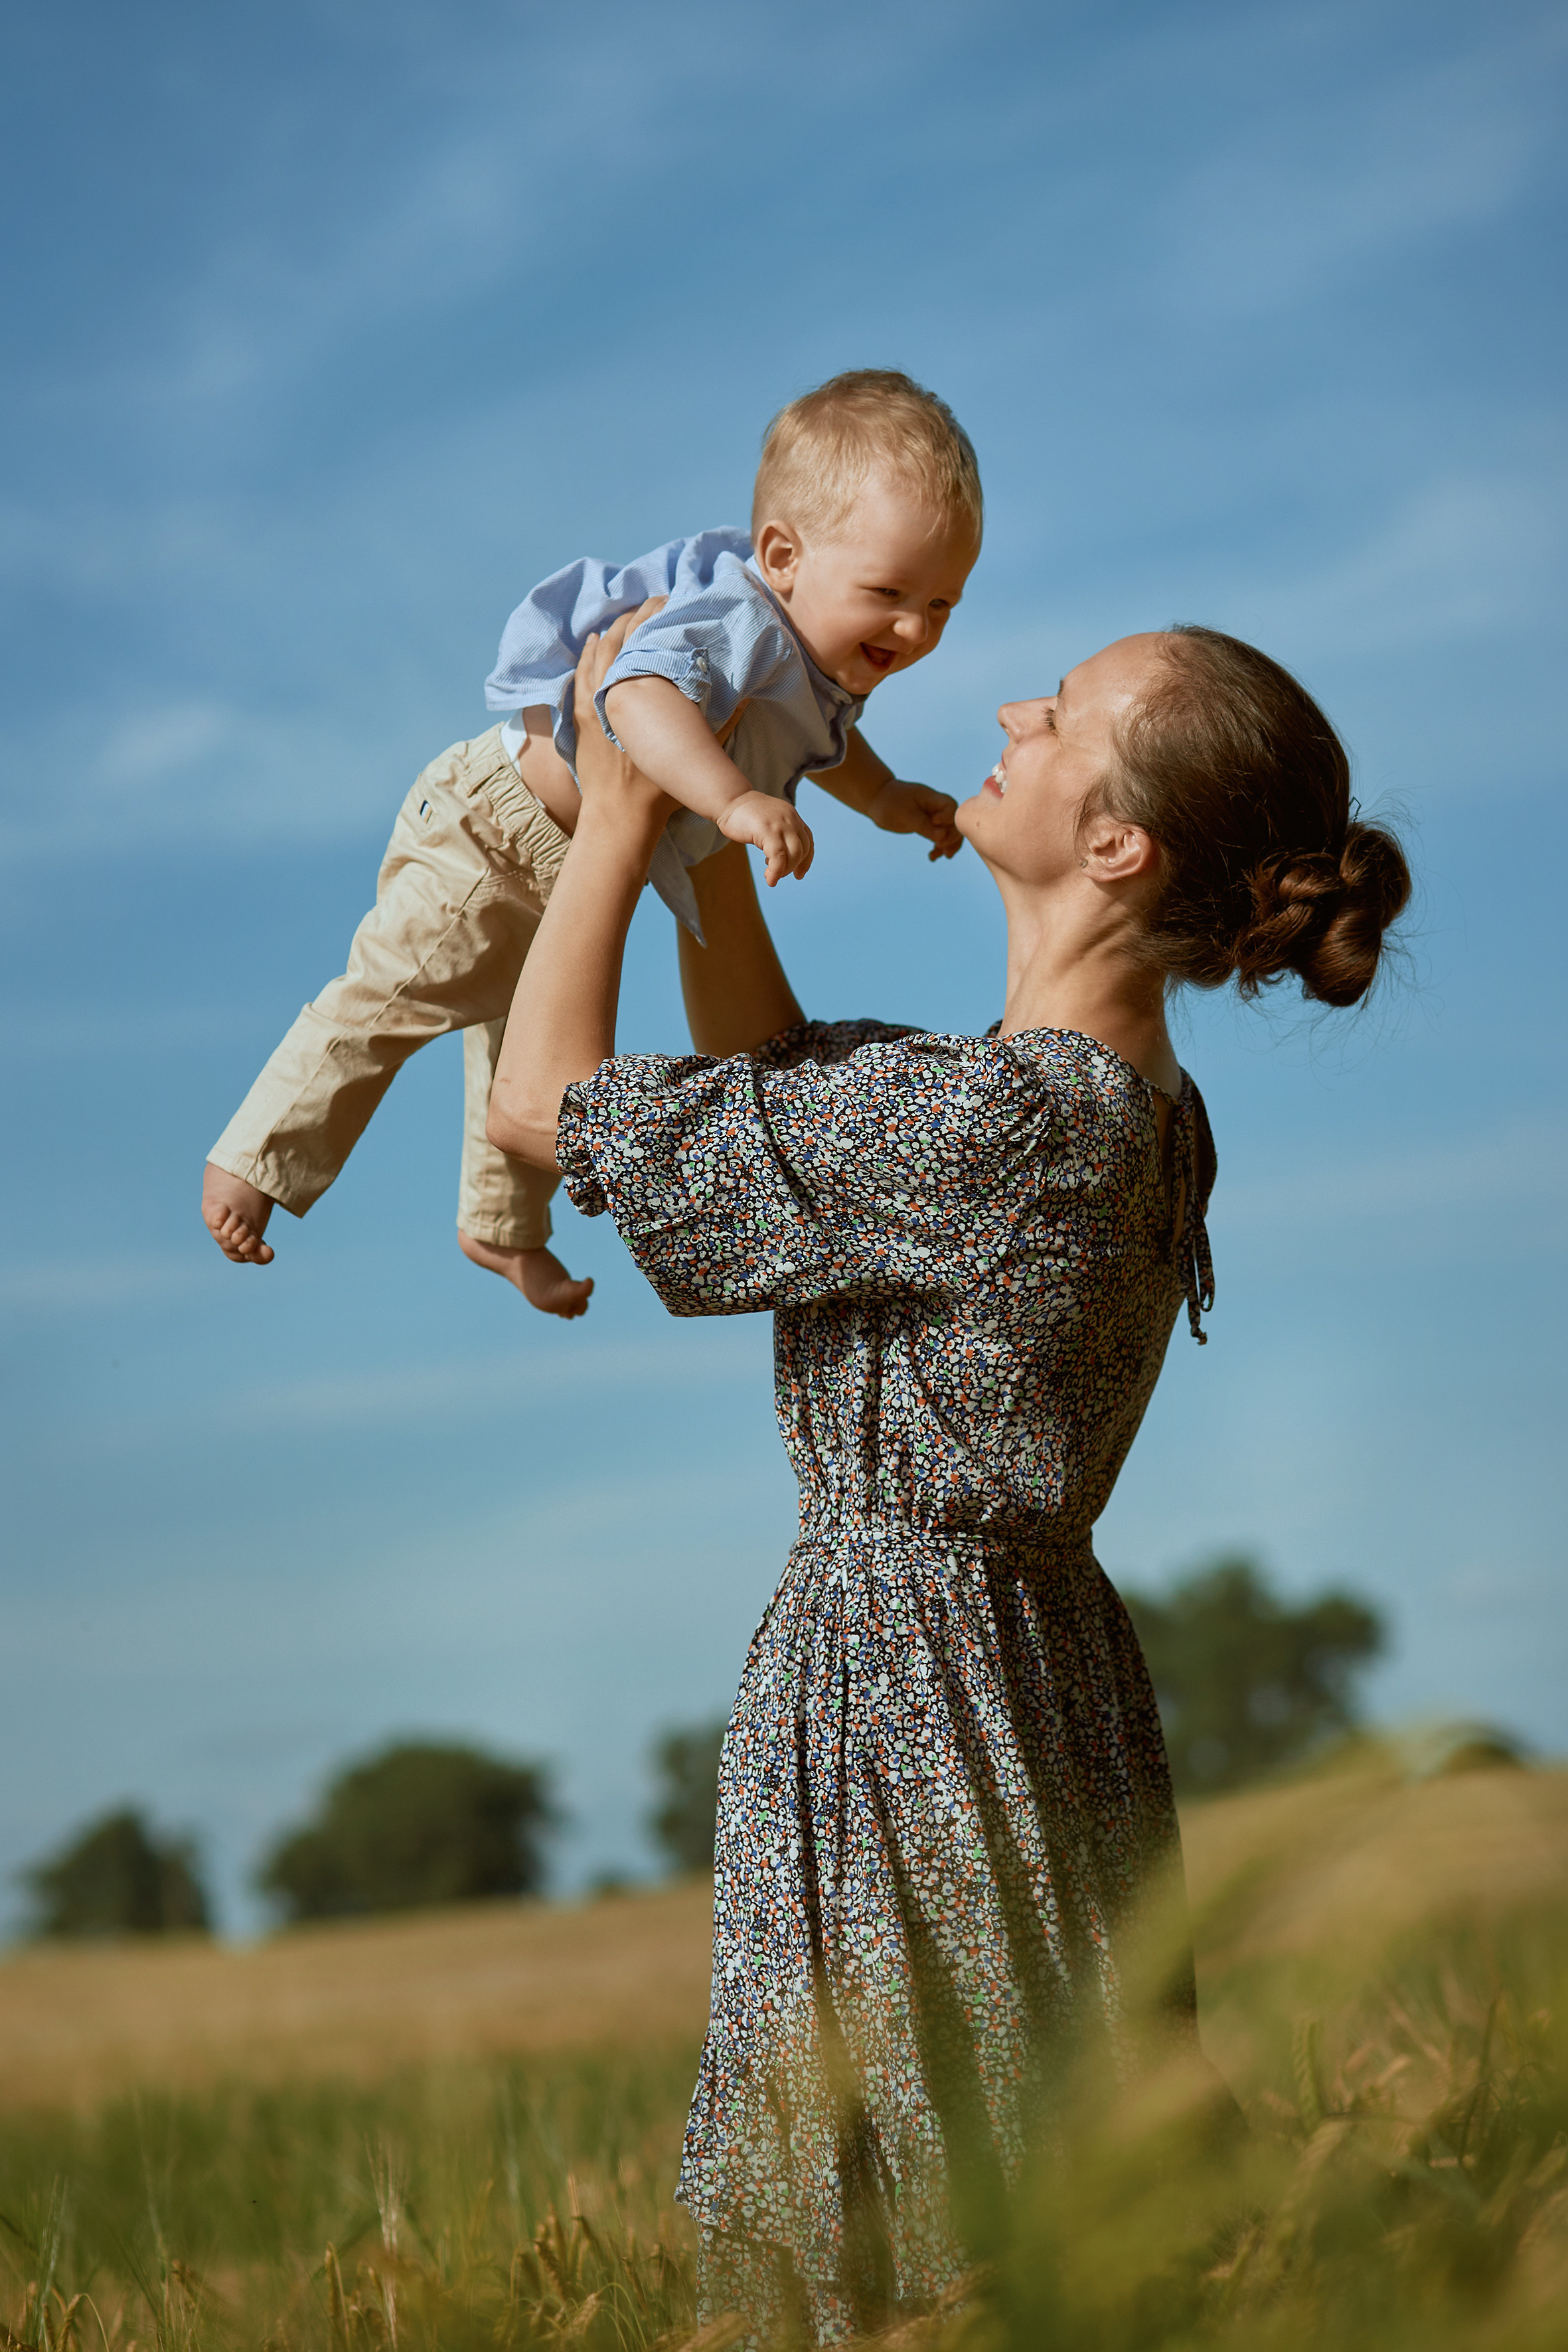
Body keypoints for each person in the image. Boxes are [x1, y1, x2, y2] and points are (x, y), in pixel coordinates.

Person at [486, 605, 1411, 2344]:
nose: (1003, 706)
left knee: (900, 2217)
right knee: (1028, 2190)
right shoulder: (1120, 1103)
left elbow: (549, 1112)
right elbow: (788, 1095)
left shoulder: (997, 1126)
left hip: (899, 1684)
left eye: (1055, 714)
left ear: (1113, 841)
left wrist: (617, 815)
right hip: (1024, 1672)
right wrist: (712, 853)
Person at [199, 370, 980, 1318]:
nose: (913, 627)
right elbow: (634, 697)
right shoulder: (738, 621)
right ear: (781, 555)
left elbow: (830, 744)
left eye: (942, 604)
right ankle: (254, 1160)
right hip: (492, 831)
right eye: (890, 592)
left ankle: (502, 1232)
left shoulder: (814, 657)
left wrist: (890, 799)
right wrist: (731, 799)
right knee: (389, 1000)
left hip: (562, 865)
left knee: (516, 1046)